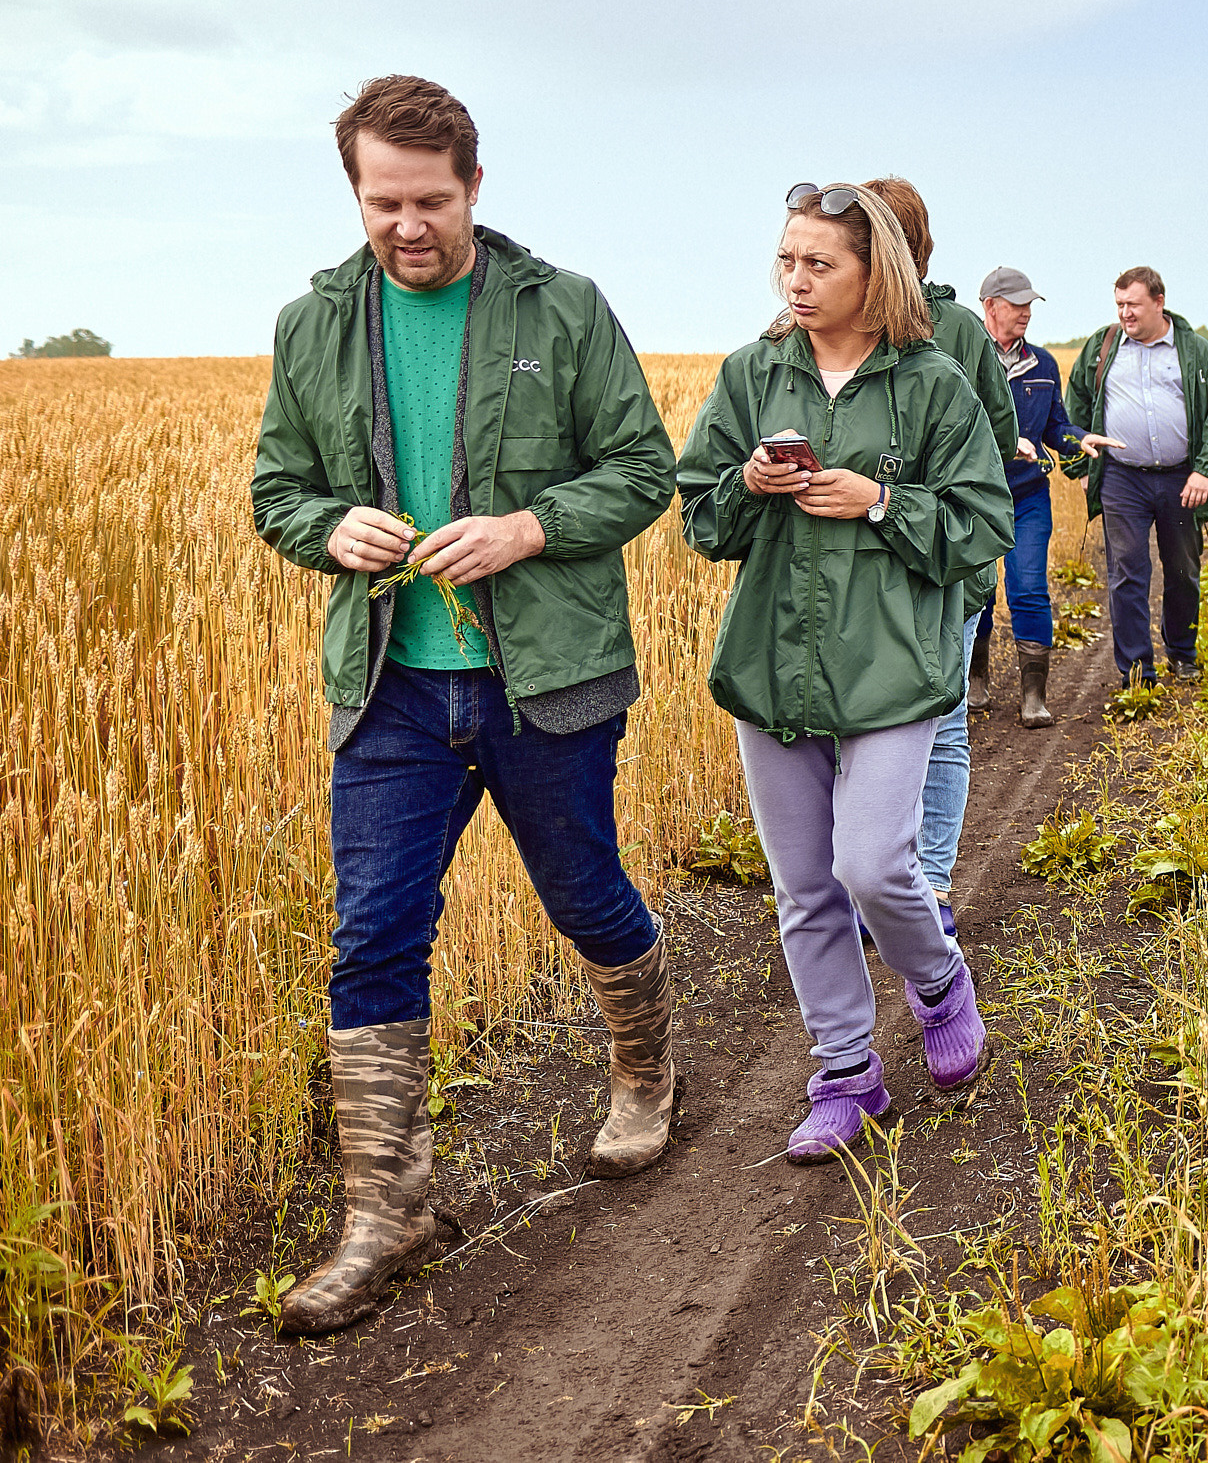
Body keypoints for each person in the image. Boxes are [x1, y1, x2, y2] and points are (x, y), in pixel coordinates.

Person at [249, 75, 679, 1335]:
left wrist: (530, 527)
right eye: (384, 202)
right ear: (357, 194)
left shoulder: (564, 307)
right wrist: (331, 528)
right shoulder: (315, 322)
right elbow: (277, 489)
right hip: (388, 685)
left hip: (543, 676)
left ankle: (647, 1068)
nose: (407, 225)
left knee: (583, 893)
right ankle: (387, 1211)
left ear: (475, 188)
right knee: (373, 931)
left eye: (430, 200)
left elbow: (643, 469)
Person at [674, 181, 1012, 1162]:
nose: (797, 279)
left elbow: (981, 527)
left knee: (871, 865)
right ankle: (846, 1075)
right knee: (805, 890)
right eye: (788, 259)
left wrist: (879, 501)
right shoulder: (752, 377)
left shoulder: (935, 384)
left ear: (877, 275)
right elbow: (701, 520)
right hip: (773, 666)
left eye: (820, 263)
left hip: (892, 664)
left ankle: (941, 986)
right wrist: (744, 484)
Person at [861, 178, 1016, 937]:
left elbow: (995, 431)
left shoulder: (954, 327)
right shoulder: (822, 329)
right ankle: (891, 880)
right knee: (880, 724)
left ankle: (931, 883)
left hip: (946, 562)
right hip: (867, 566)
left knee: (944, 720)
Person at [1063, 267, 1208, 687]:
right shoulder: (1102, 347)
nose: (1125, 313)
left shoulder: (1195, 351)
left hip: (1182, 478)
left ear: (1159, 302)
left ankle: (1182, 652)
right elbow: (1075, 406)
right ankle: (1137, 670)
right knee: (1127, 571)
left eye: (1133, 305)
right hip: (1122, 479)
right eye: (1120, 304)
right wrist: (1082, 468)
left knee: (1182, 570)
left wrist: (1206, 471)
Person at [976, 265, 1121, 727]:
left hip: (1028, 495)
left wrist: (1079, 439)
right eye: (1016, 305)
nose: (1025, 313)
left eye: (1029, 305)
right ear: (990, 307)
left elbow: (1055, 426)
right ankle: (973, 681)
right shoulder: (965, 361)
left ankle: (1033, 698)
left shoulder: (1042, 363)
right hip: (976, 497)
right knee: (974, 593)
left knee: (1030, 588)